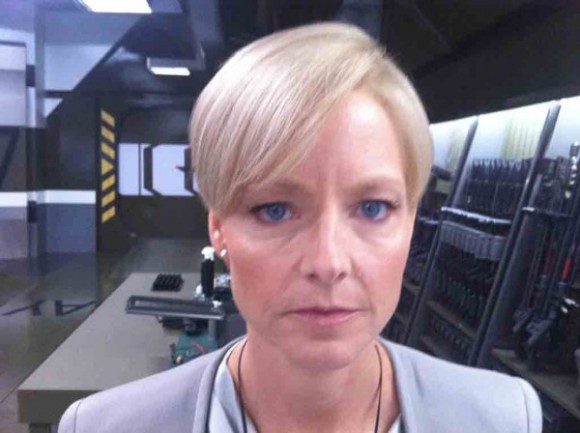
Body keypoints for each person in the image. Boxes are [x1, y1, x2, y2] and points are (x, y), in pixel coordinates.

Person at [58, 22, 541, 433]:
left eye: (373, 208)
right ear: (218, 229)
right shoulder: (103, 427)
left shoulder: (503, 419)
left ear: (411, 222)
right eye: (275, 210)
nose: (328, 263)